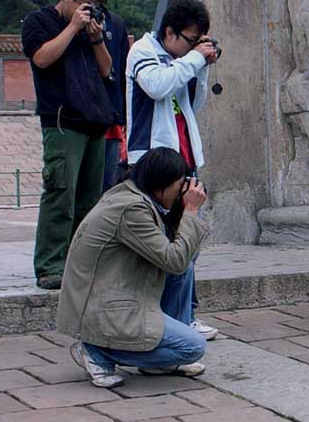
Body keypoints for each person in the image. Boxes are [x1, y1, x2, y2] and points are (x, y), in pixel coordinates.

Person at [57, 147, 209, 388]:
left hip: (118, 290)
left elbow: (181, 259)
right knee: (193, 347)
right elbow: (174, 258)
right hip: (105, 306)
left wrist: (181, 211)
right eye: (179, 185)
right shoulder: (132, 209)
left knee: (186, 269)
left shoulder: (135, 196)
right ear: (161, 183)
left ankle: (160, 358)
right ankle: (98, 351)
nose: (182, 191)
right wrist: (190, 211)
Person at [125, 0, 219, 341]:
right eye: (191, 40)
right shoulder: (142, 51)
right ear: (169, 32)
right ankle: (161, 316)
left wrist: (202, 66)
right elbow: (157, 87)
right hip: (152, 162)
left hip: (183, 159)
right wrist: (195, 58)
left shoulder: (182, 59)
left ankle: (184, 315)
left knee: (187, 238)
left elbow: (193, 104)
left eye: (200, 41)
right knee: (161, 244)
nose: (195, 47)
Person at [22, 0, 115, 290]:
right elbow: (41, 59)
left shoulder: (88, 30)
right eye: (85, 5)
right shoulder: (38, 21)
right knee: (60, 192)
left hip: (94, 121)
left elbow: (106, 69)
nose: (88, 11)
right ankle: (49, 265)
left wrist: (95, 37)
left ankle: (80, 264)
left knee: (89, 199)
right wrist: (73, 26)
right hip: (62, 122)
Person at [69, 0, 130, 192]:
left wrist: (124, 117)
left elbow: (120, 72)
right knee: (71, 190)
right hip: (74, 120)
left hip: (108, 120)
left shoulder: (114, 23)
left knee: (106, 188)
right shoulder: (60, 21)